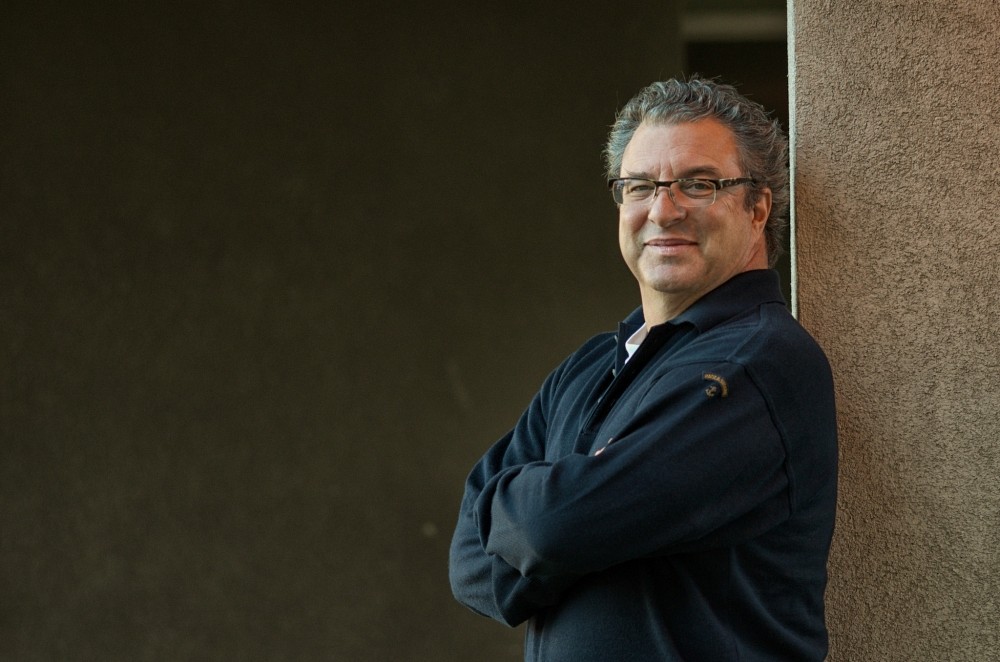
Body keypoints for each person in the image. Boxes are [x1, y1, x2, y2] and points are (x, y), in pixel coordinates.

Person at [448, 77, 838, 661]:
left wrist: (547, 525)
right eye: (639, 186)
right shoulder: (588, 367)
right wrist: (565, 518)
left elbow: (554, 527)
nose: (663, 209)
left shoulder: (760, 365)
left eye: (698, 184)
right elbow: (469, 565)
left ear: (758, 207)